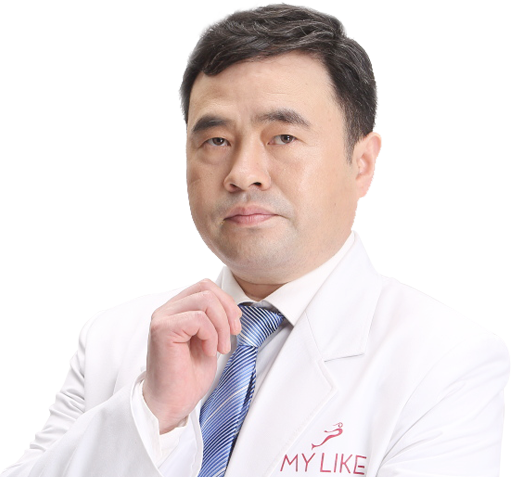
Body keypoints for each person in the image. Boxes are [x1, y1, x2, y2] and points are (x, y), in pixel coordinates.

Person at [2, 4, 510, 477]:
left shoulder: (449, 363)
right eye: (216, 140)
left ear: (361, 164)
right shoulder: (112, 342)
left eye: (283, 137)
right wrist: (153, 415)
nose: (243, 173)